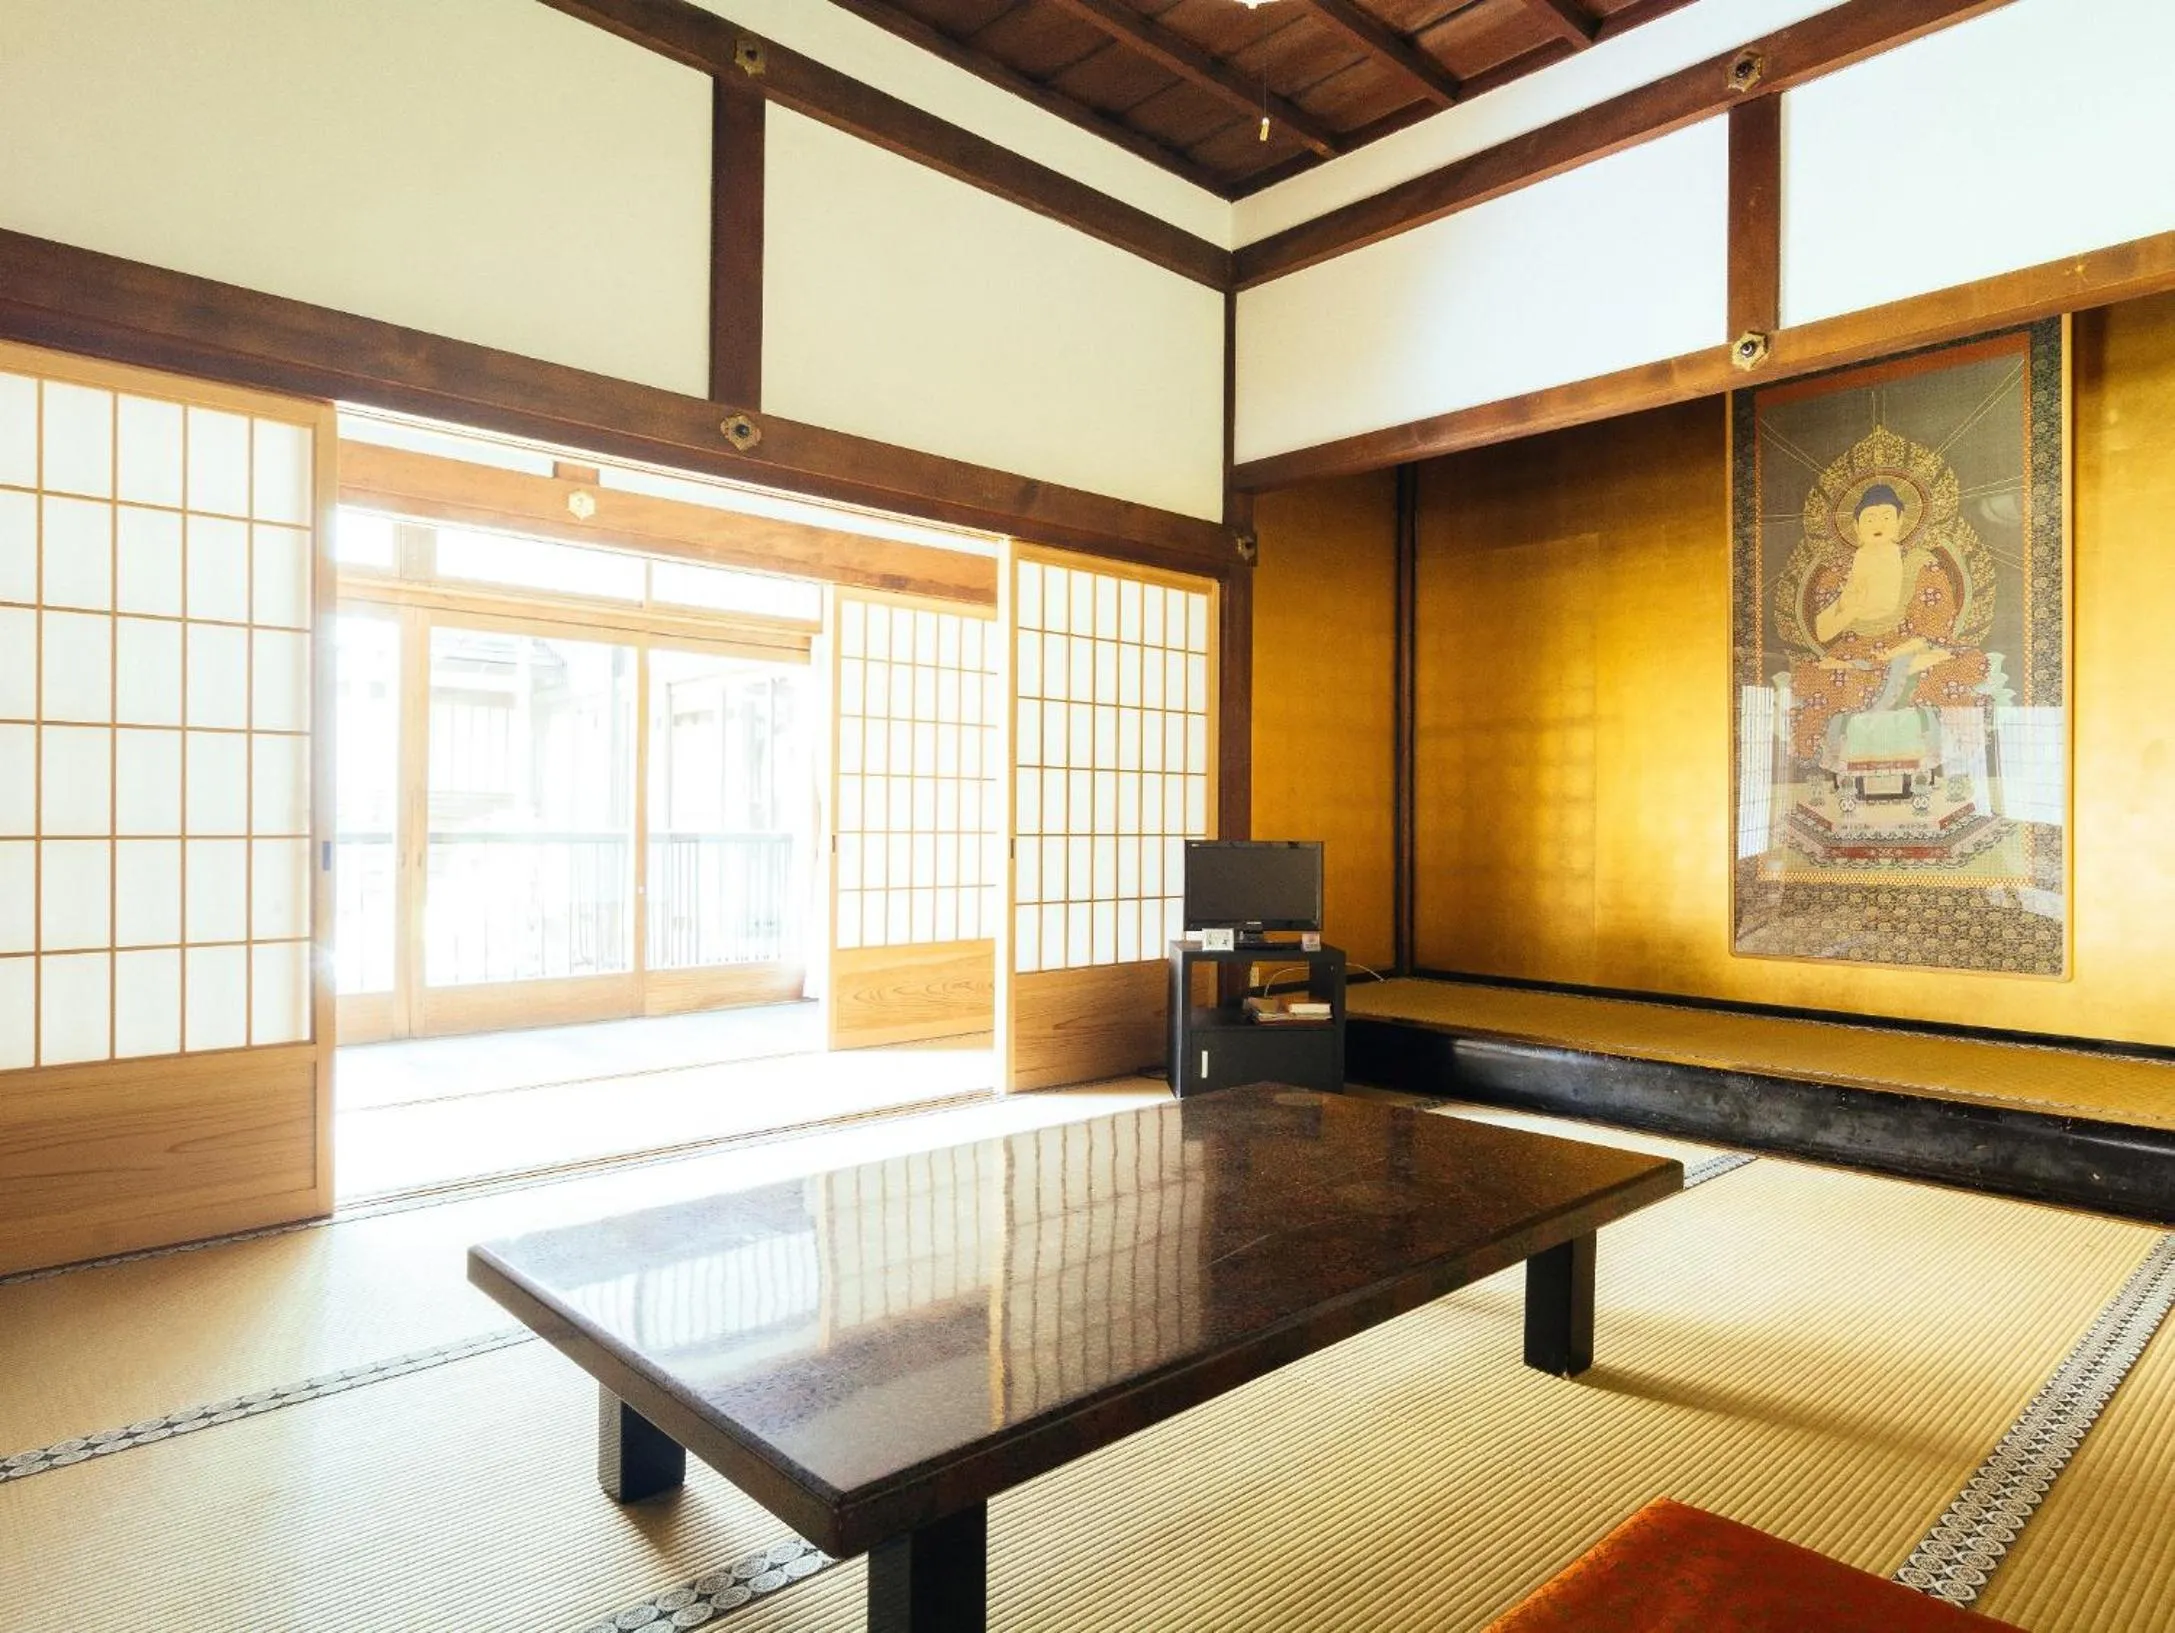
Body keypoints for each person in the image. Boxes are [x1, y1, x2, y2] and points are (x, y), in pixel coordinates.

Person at [1788, 483, 1990, 770]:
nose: (1878, 524)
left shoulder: (1920, 564)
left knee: (1962, 663)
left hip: (1906, 646)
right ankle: (1889, 670)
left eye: (1886, 516)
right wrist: (1851, 605)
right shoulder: (1840, 572)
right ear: (1856, 527)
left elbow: (1933, 629)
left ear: (1900, 522)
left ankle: (1891, 669)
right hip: (1855, 652)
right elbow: (1823, 632)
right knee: (1812, 675)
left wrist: (1902, 653)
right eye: (1869, 518)